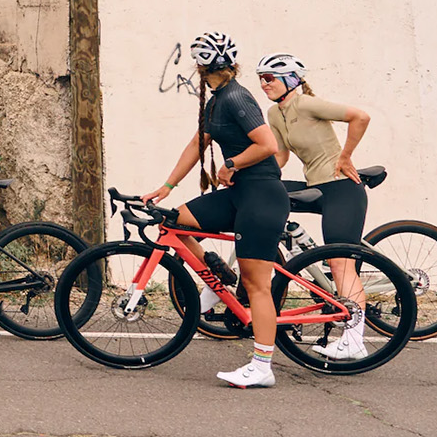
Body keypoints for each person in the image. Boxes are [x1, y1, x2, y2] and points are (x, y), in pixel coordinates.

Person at [141, 31, 288, 389]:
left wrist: (232, 163)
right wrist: (168, 186)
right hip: (239, 195)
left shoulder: (237, 97)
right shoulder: (217, 98)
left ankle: (262, 366)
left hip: (261, 197)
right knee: (175, 221)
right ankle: (214, 272)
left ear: (202, 65)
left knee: (256, 285)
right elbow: (198, 142)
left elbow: (267, 145)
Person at [259, 52, 374, 361]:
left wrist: (346, 155)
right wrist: (251, 174)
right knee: (258, 193)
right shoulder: (275, 114)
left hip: (341, 188)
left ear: (291, 80)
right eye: (260, 78)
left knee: (340, 263)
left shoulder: (307, 103)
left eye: (269, 78)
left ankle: (354, 340)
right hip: (316, 188)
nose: (263, 83)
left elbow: (360, 117)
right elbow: (281, 157)